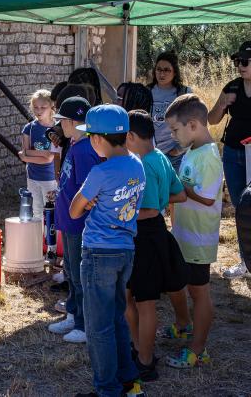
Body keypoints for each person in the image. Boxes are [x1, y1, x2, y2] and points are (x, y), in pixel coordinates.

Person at [70, 104, 146, 397]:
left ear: (97, 139)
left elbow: (76, 210)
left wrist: (89, 201)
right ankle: (127, 377)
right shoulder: (137, 163)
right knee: (116, 317)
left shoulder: (100, 172)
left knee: (98, 327)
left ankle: (107, 389)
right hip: (125, 250)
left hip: (99, 253)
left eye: (89, 137)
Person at [124, 110, 188, 382]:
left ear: (130, 136)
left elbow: (148, 210)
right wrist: (163, 200)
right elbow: (180, 194)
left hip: (146, 236)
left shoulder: (145, 165)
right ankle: (138, 349)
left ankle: (146, 360)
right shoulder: (161, 156)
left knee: (145, 303)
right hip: (155, 234)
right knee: (132, 298)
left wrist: (116, 213)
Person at [163, 94, 223, 369]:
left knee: (200, 294)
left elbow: (207, 198)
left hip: (200, 239)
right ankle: (184, 325)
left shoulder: (209, 157)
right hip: (185, 234)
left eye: (175, 130)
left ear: (195, 125)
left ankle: (199, 350)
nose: (173, 135)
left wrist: (175, 189)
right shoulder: (193, 150)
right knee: (183, 284)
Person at [47, 97, 100, 344]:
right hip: (69, 222)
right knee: (70, 269)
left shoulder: (85, 149)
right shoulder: (76, 145)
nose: (59, 127)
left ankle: (83, 324)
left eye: (61, 122)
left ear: (70, 122)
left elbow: (89, 190)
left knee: (79, 274)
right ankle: (72, 313)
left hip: (79, 224)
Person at [208, 41, 251, 279]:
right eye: (238, 61)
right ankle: (245, 262)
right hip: (234, 154)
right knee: (241, 207)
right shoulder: (232, 86)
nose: (240, 66)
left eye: (245, 62)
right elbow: (211, 119)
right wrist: (224, 103)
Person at [147, 51, 192, 171]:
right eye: (159, 69)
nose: (162, 73)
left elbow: (193, 123)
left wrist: (180, 149)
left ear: (175, 72)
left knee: (175, 190)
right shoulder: (146, 91)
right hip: (150, 154)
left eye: (167, 70)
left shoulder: (184, 93)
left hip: (176, 156)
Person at [19, 89, 56, 219]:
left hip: (50, 178)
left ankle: (51, 238)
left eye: (43, 107)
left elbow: (50, 159)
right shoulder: (29, 128)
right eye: (35, 107)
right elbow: (25, 156)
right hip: (32, 177)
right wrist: (44, 154)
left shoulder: (57, 128)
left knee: (51, 210)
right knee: (37, 211)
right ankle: (39, 238)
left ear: (52, 107)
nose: (39, 111)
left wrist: (30, 153)